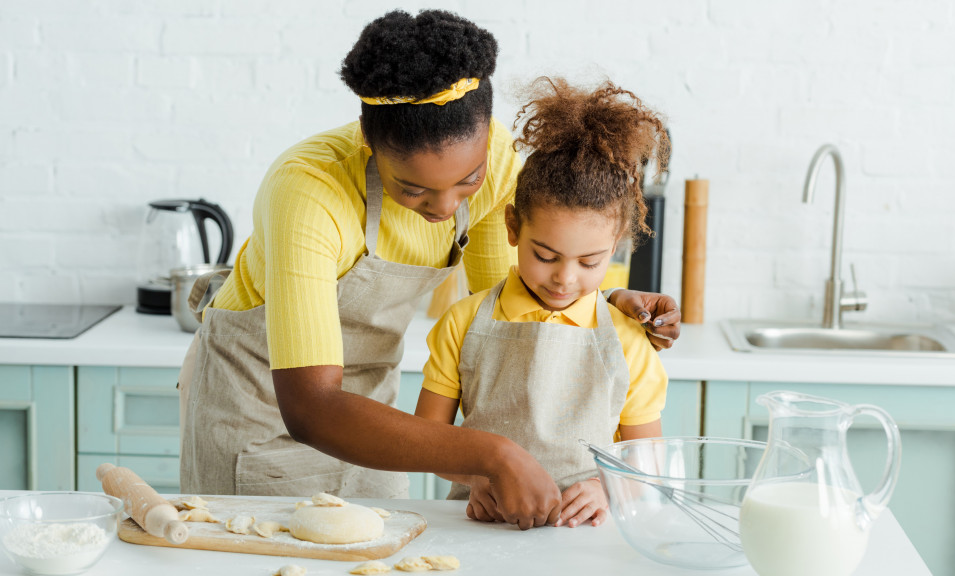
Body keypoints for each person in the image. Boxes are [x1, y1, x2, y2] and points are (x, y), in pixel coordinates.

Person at [177, 10, 679, 529]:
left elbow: (510, 321)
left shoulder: (499, 163)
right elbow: (311, 406)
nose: (444, 206)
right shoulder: (308, 193)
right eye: (412, 188)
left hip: (378, 416)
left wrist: (600, 305)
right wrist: (489, 456)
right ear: (369, 142)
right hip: (264, 409)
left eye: (468, 180)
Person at [414, 78, 669, 529]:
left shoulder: (628, 339)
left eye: (589, 262)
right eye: (546, 256)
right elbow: (427, 441)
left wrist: (608, 488)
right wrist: (475, 476)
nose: (564, 278)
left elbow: (647, 461)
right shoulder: (463, 322)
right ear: (513, 227)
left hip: (584, 533)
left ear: (615, 248)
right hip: (481, 525)